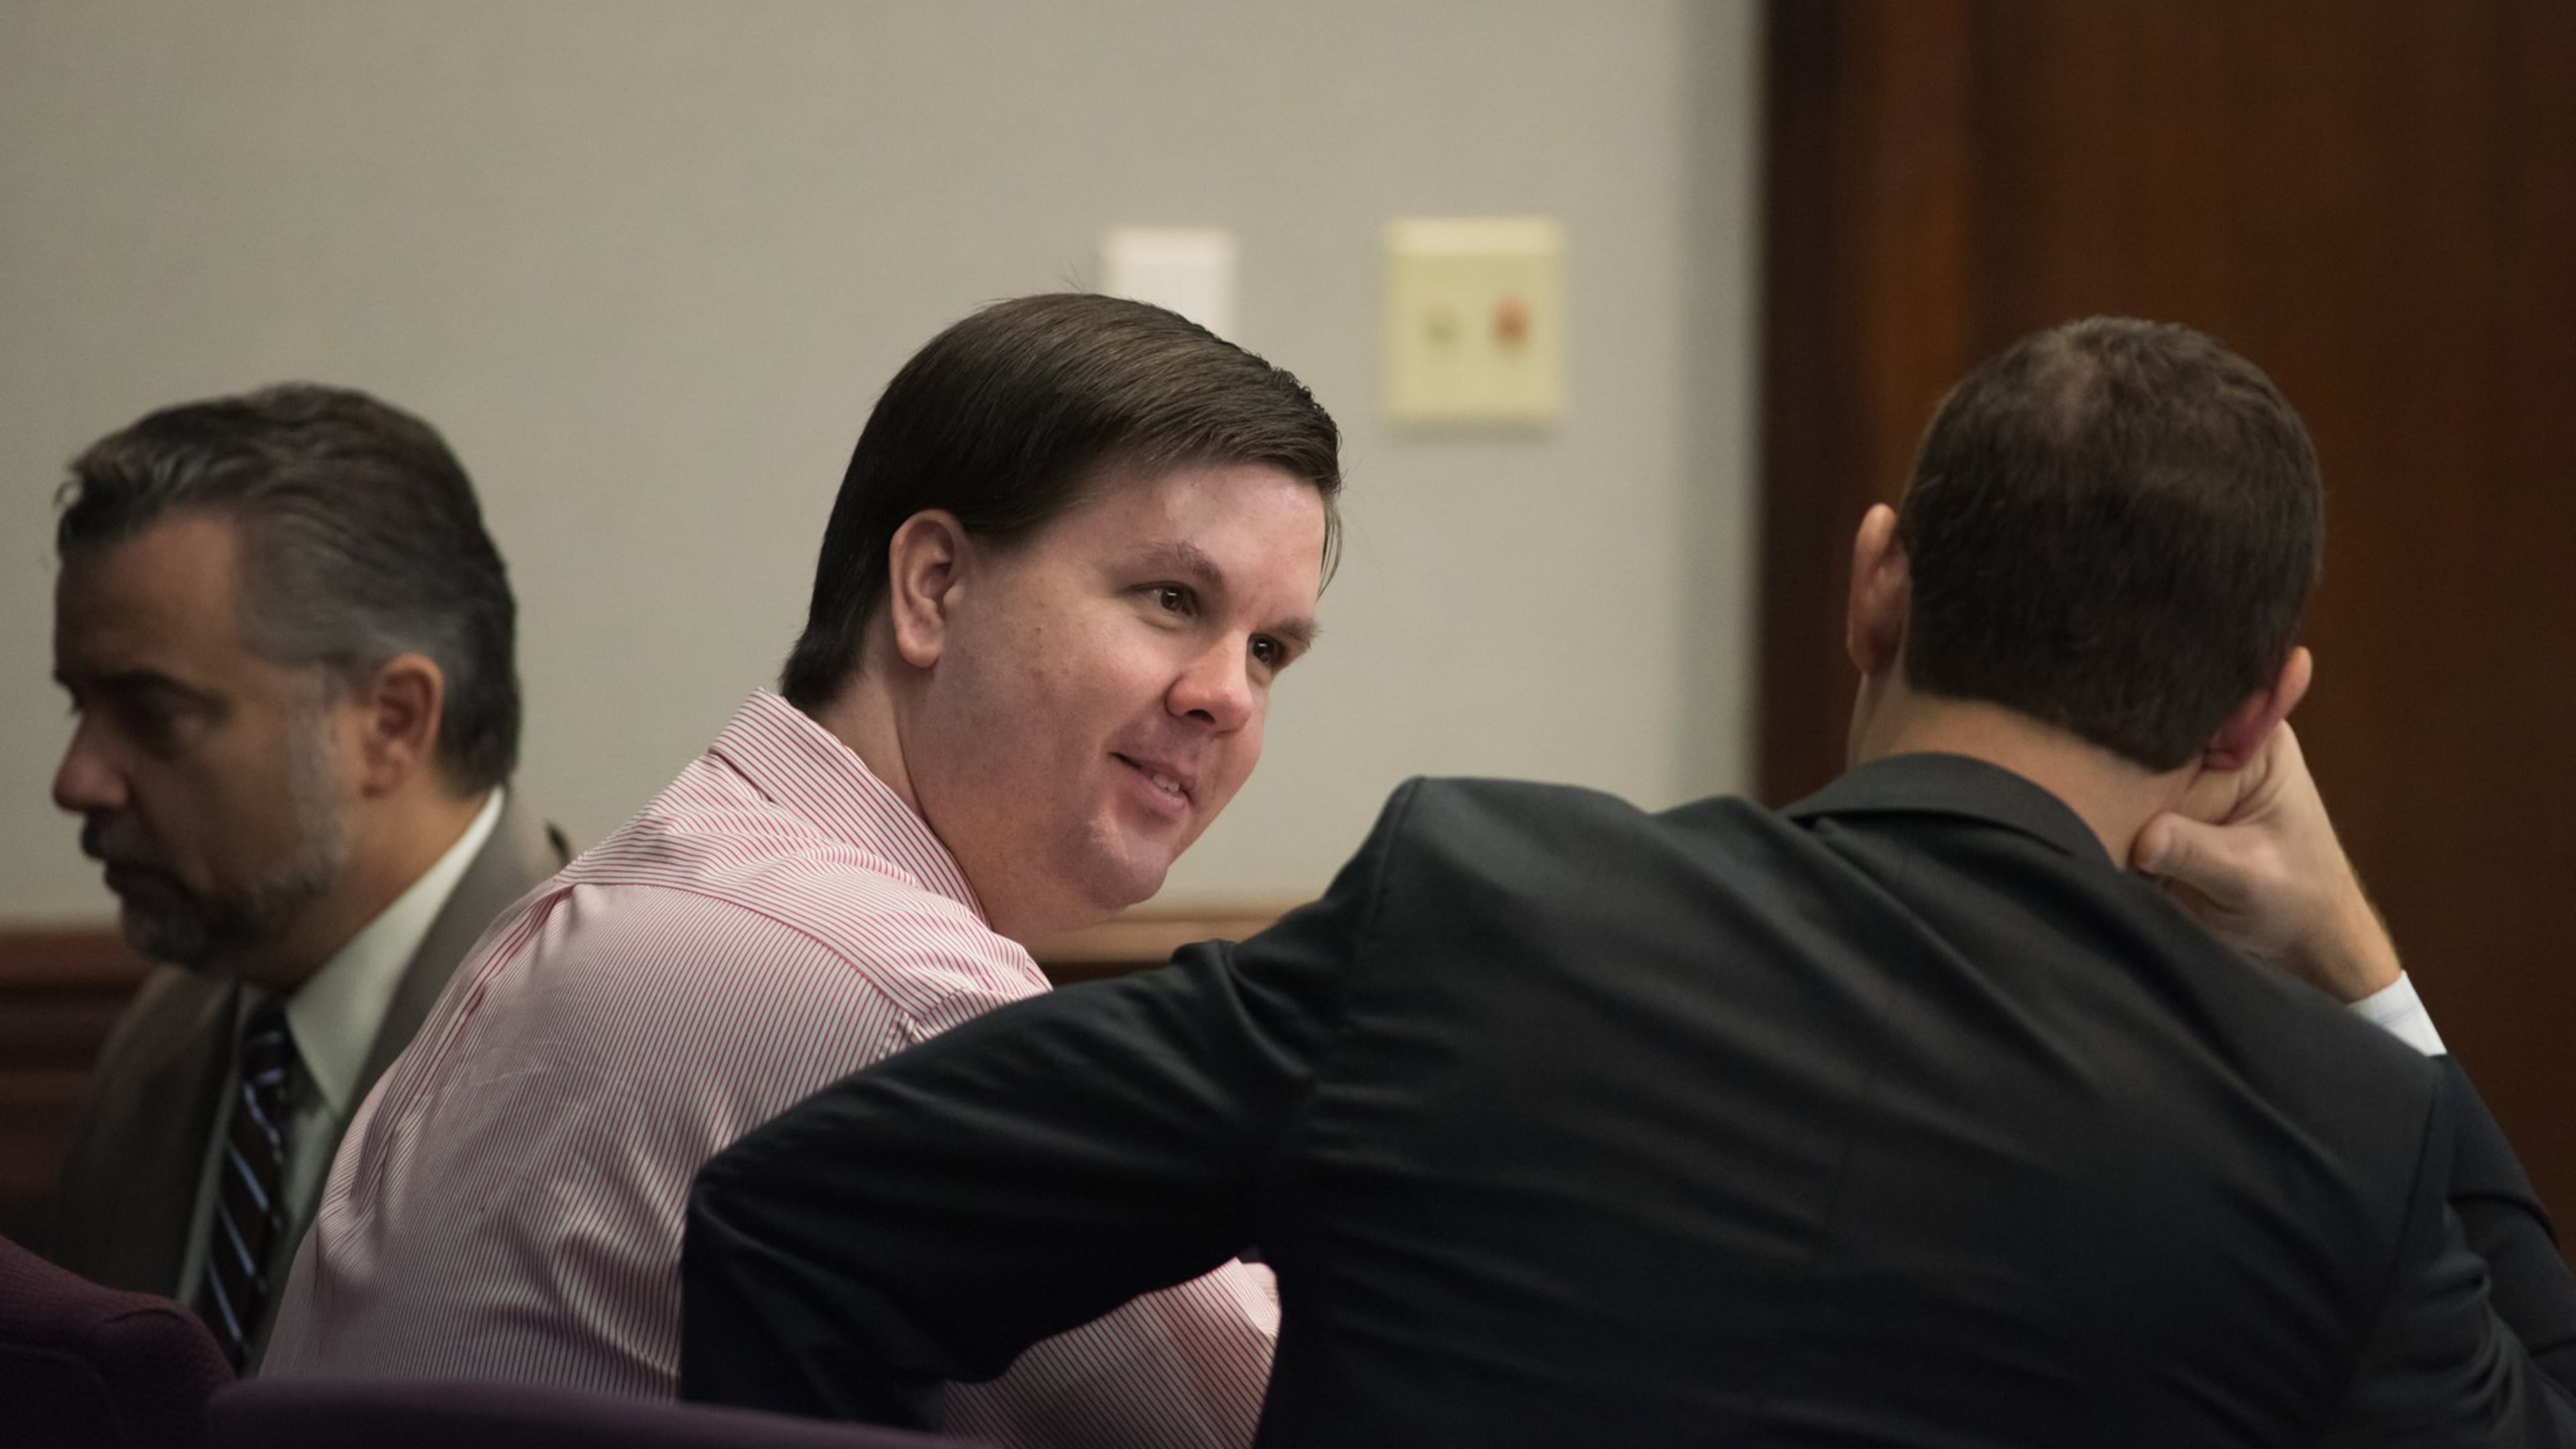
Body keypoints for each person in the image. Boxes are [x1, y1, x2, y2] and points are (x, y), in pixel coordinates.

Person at [677, 317, 2576, 1446]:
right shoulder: (2338, 1143)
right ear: (2259, 719)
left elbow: (796, 1228)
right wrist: (2357, 965)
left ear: (1877, 587)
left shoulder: (1490, 916)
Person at [262, 294, 1340, 1449]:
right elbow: (1262, 1427)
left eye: (1269, 650)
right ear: (933, 587)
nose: (1227, 694)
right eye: (1173, 600)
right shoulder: (876, 977)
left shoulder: (675, 880)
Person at [46, 385, 569, 1373]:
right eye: (79, 706)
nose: (77, 779)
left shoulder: (598, 1052)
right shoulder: (158, 1044)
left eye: (151, 714)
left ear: (391, 724)